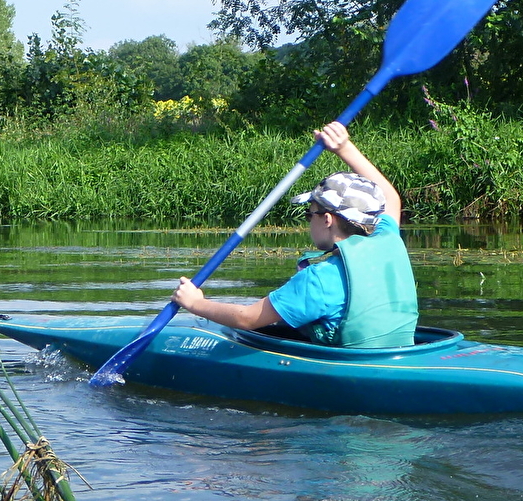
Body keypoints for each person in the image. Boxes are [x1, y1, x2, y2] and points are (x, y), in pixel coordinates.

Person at [171, 121, 419, 348]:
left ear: (327, 219)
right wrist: (345, 148)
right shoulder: (388, 239)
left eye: (309, 215)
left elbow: (247, 319)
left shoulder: (318, 279)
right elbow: (391, 197)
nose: (309, 222)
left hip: (357, 367)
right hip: (401, 352)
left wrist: (196, 304)